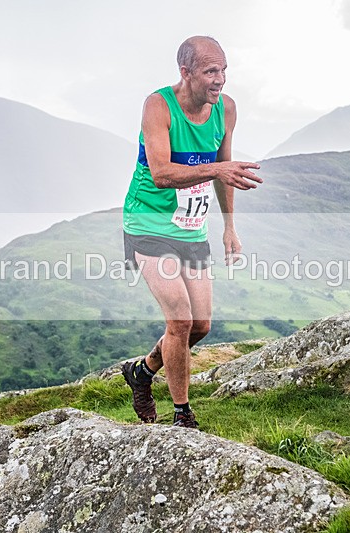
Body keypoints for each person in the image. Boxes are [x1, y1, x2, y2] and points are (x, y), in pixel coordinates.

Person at [121, 35, 262, 429]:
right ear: (185, 73)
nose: (220, 80)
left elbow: (225, 170)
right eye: (210, 71)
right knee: (180, 321)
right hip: (147, 221)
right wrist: (217, 169)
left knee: (200, 326)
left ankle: (144, 371)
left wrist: (229, 226)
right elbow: (162, 173)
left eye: (223, 71)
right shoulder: (158, 106)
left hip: (191, 228)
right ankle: (183, 415)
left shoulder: (225, 110)